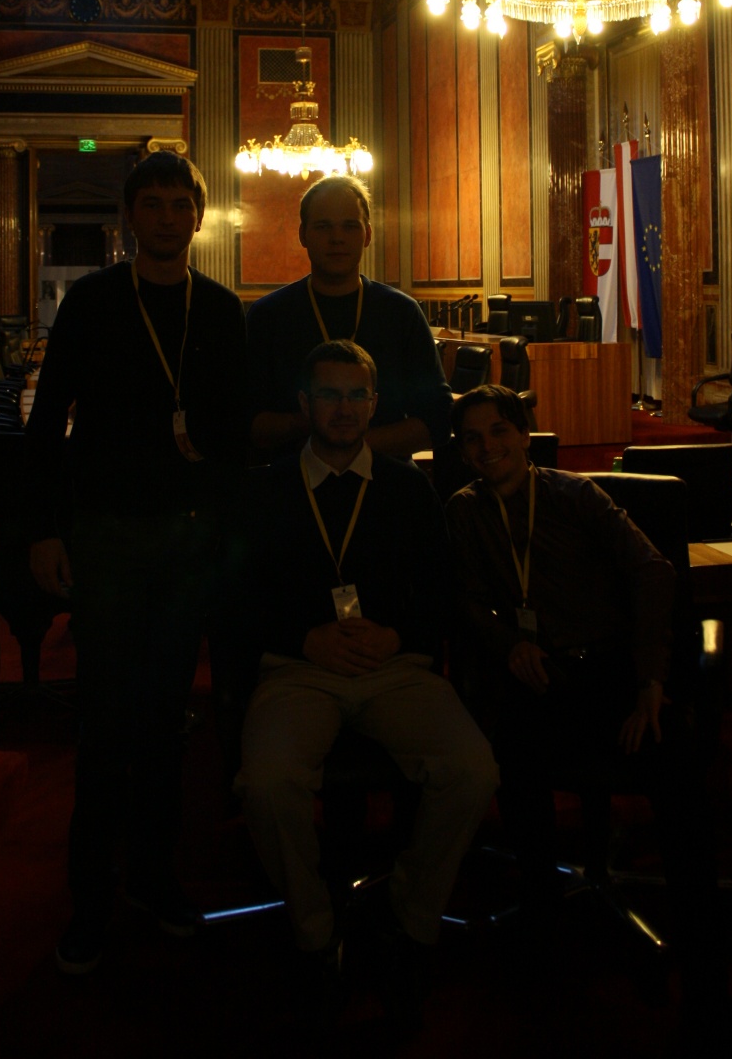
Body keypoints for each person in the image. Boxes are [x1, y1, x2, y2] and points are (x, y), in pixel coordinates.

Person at [445, 385, 732, 1052]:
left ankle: (706, 983)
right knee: (511, 756)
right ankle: (542, 933)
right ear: (461, 451)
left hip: (615, 673)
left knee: (678, 777)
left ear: (525, 436)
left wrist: (650, 680)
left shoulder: (574, 494)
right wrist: (508, 643)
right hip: (541, 677)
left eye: (500, 432)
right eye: (472, 438)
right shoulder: (464, 512)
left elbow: (653, 570)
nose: (488, 447)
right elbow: (464, 600)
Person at [234, 339, 498, 1028]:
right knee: (265, 784)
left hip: (393, 668)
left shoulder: (408, 487)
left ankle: (411, 917)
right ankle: (315, 930)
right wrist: (304, 638)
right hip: (299, 670)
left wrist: (397, 635)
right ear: (304, 404)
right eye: (329, 394)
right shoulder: (263, 488)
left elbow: (441, 591)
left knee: (473, 770)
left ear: (375, 404)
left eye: (357, 395)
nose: (344, 408)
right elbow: (234, 599)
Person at [26, 150, 246, 975]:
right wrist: (45, 530)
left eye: (178, 204)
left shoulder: (219, 309)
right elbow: (47, 422)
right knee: (103, 725)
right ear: (130, 217)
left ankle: (153, 878)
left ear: (198, 215)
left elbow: (232, 436)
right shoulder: (91, 301)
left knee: (163, 724)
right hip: (108, 536)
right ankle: (89, 900)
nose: (165, 217)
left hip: (189, 543)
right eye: (150, 204)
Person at [246, 176, 451, 460]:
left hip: (384, 477)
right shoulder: (268, 315)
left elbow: (437, 421)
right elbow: (247, 422)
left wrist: (351, 445)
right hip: (292, 480)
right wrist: (317, 428)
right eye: (323, 226)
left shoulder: (401, 313)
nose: (337, 238)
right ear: (303, 235)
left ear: (367, 235)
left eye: (350, 226)